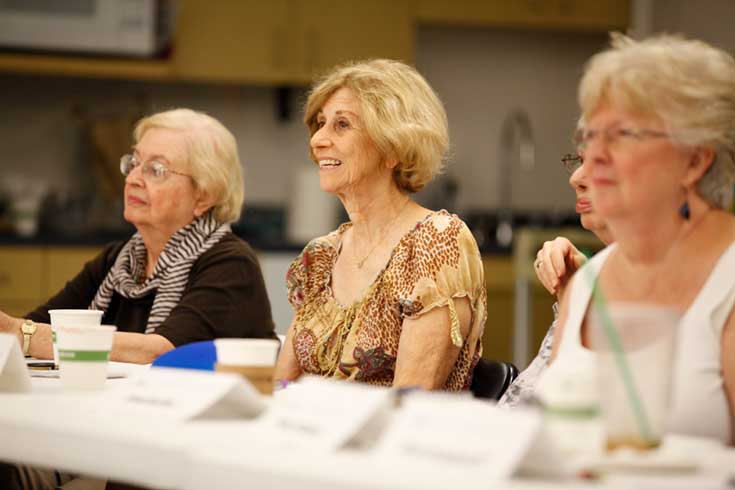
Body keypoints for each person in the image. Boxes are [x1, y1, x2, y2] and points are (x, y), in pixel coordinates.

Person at [550, 34, 735, 444]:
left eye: (622, 135)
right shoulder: (587, 282)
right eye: (591, 137)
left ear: (695, 160)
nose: (594, 155)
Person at [0, 108, 276, 367]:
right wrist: (15, 331)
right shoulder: (118, 260)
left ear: (203, 195)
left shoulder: (230, 264)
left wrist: (21, 333)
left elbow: (160, 351)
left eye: (156, 170)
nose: (132, 178)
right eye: (134, 162)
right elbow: (34, 326)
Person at [274, 59, 486, 390]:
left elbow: (409, 401)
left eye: (341, 125)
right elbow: (281, 386)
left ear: (393, 148)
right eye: (320, 123)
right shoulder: (321, 256)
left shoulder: (436, 242)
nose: (317, 141)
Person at [499, 139, 614, 407]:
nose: (576, 179)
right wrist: (571, 301)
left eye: (599, 162)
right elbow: (543, 400)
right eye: (579, 160)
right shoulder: (592, 275)